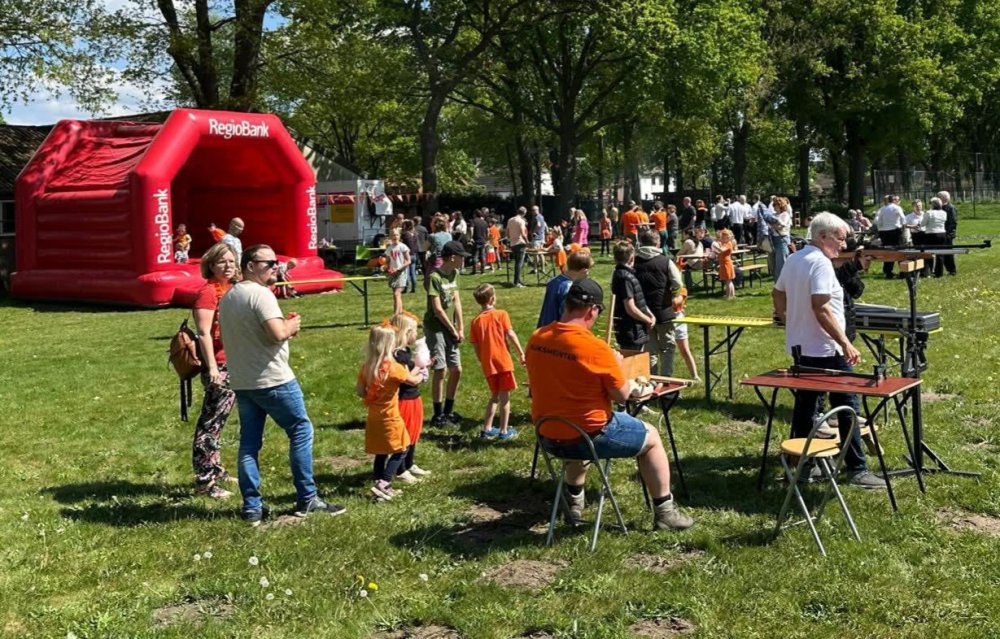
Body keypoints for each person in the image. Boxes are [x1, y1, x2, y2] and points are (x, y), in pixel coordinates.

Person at [525, 278, 694, 531]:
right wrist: (616, 364)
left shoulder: (538, 337)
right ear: (593, 310)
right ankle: (665, 511)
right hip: (589, 435)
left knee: (573, 430)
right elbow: (623, 395)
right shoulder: (596, 349)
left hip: (548, 434)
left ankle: (574, 499)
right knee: (652, 438)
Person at [219, 244, 347, 525]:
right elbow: (277, 333)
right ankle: (307, 498)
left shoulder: (229, 297)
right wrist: (292, 326)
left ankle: (252, 507)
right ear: (250, 265)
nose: (276, 266)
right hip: (273, 379)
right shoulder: (260, 294)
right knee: (301, 430)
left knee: (249, 445)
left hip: (243, 381)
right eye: (269, 262)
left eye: (277, 261)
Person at [771, 214, 886, 489]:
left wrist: (787, 319)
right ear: (823, 236)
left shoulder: (795, 258)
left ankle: (804, 467)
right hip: (827, 349)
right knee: (847, 406)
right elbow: (821, 307)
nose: (843, 243)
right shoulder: (820, 263)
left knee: (806, 408)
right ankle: (857, 469)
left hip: (801, 347)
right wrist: (845, 342)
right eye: (840, 237)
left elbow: (777, 293)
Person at [190, 242, 238, 499]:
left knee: (219, 423)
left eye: (232, 261)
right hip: (218, 365)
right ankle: (205, 480)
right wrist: (212, 370)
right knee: (210, 423)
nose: (228, 266)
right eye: (222, 262)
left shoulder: (233, 289)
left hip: (234, 361)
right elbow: (204, 333)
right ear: (211, 265)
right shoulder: (208, 292)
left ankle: (216, 470)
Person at [357, 324, 424, 501]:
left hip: (374, 416)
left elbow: (360, 392)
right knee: (402, 449)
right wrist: (421, 371)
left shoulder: (367, 367)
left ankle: (378, 481)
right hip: (390, 416)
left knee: (381, 451)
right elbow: (413, 380)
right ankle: (384, 482)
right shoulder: (394, 368)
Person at [469, 284, 526, 441]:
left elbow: (475, 345)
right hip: (503, 362)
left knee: (494, 396)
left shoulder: (475, 321)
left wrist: (482, 359)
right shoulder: (501, 314)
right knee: (505, 398)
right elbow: (511, 334)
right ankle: (504, 430)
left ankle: (487, 429)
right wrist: (521, 353)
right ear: (493, 299)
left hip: (489, 364)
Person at [425, 241, 470, 426]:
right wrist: (452, 329)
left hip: (450, 327)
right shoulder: (434, 277)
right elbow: (437, 309)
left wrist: (460, 327)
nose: (463, 261)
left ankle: (448, 411)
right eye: (461, 257)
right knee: (440, 369)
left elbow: (457, 302)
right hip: (436, 327)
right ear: (452, 257)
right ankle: (438, 415)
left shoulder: (454, 274)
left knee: (456, 369)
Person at [634, 229, 685, 376]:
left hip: (642, 312)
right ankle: (666, 380)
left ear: (641, 243)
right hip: (664, 310)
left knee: (649, 349)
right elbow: (677, 283)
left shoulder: (634, 262)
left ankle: (652, 379)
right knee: (667, 347)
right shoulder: (665, 261)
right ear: (657, 243)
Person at [391, 312, 431, 483]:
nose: (417, 334)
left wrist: (423, 365)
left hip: (414, 398)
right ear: (405, 332)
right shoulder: (397, 354)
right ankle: (400, 470)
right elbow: (407, 378)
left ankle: (409, 464)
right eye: (415, 330)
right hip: (404, 399)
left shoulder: (406, 351)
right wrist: (421, 370)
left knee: (414, 432)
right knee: (404, 435)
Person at [611, 242, 654, 351]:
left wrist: (649, 313)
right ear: (631, 257)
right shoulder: (624, 277)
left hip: (635, 327)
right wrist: (647, 320)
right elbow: (630, 308)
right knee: (632, 362)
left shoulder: (627, 274)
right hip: (630, 328)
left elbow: (638, 300)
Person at [537, 247, 593, 328]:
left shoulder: (554, 281)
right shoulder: (568, 287)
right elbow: (566, 312)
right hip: (557, 328)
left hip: (545, 325)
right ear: (584, 270)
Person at [760, 197, 791, 280]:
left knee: (781, 264)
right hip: (772, 240)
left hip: (782, 240)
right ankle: (777, 285)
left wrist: (772, 224)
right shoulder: (773, 215)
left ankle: (784, 286)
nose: (774, 207)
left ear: (781, 205)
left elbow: (780, 227)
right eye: (773, 205)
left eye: (775, 205)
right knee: (773, 265)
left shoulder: (785, 215)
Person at [874, 194, 906, 278]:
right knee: (900, 251)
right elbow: (903, 219)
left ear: (888, 200)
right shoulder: (897, 208)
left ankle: (888, 272)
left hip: (884, 233)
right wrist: (902, 228)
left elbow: (876, 221)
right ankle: (903, 271)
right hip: (895, 231)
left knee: (887, 251)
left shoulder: (881, 209)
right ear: (893, 200)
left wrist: (881, 227)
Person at [385, 227, 411, 316]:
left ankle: (396, 315)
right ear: (390, 237)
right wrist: (385, 267)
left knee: (397, 293)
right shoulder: (389, 248)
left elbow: (408, 261)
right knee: (396, 295)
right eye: (392, 235)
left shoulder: (403, 247)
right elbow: (388, 261)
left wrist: (399, 268)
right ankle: (399, 313)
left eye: (396, 235)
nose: (394, 236)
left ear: (399, 236)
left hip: (401, 273)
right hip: (393, 273)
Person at [922, 197, 950, 277]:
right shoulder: (944, 212)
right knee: (940, 254)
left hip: (931, 234)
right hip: (942, 234)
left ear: (932, 205)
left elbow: (923, 224)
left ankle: (928, 271)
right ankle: (939, 273)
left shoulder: (929, 213)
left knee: (928, 253)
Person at [425, 215, 452, 287]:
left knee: (429, 284)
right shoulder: (449, 235)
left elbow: (423, 248)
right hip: (447, 261)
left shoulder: (432, 236)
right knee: (445, 283)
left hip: (436, 262)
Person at [506, 207, 529, 288]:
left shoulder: (510, 220)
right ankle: (516, 282)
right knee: (519, 264)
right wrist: (527, 242)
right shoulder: (521, 221)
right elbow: (523, 233)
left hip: (512, 244)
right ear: (524, 213)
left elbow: (507, 233)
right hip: (520, 243)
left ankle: (518, 280)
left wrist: (511, 239)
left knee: (517, 263)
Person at [937, 190, 958, 275]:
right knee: (941, 253)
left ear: (943, 198)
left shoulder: (950, 208)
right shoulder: (940, 208)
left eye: (938, 197)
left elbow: (953, 222)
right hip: (940, 233)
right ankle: (940, 271)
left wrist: (950, 233)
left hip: (947, 234)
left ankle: (952, 270)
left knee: (948, 253)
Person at [713, 228, 737, 299]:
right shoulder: (725, 243)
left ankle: (728, 296)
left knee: (728, 281)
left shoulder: (727, 244)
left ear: (727, 238)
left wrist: (715, 246)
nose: (721, 239)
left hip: (726, 264)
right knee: (729, 280)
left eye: (723, 238)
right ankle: (732, 295)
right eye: (721, 237)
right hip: (726, 263)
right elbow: (721, 252)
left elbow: (722, 250)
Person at [401, 219, 420, 293]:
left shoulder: (405, 234)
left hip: (407, 255)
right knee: (413, 272)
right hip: (414, 254)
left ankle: (406, 288)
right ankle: (414, 288)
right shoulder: (415, 233)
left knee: (406, 273)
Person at [471, 209, 489, 274]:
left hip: (476, 240)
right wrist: (487, 239)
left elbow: (471, 229)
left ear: (475, 214)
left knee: (475, 256)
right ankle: (482, 270)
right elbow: (488, 231)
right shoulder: (484, 222)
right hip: (483, 240)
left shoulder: (473, 221)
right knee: (482, 256)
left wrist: (471, 237)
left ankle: (474, 270)